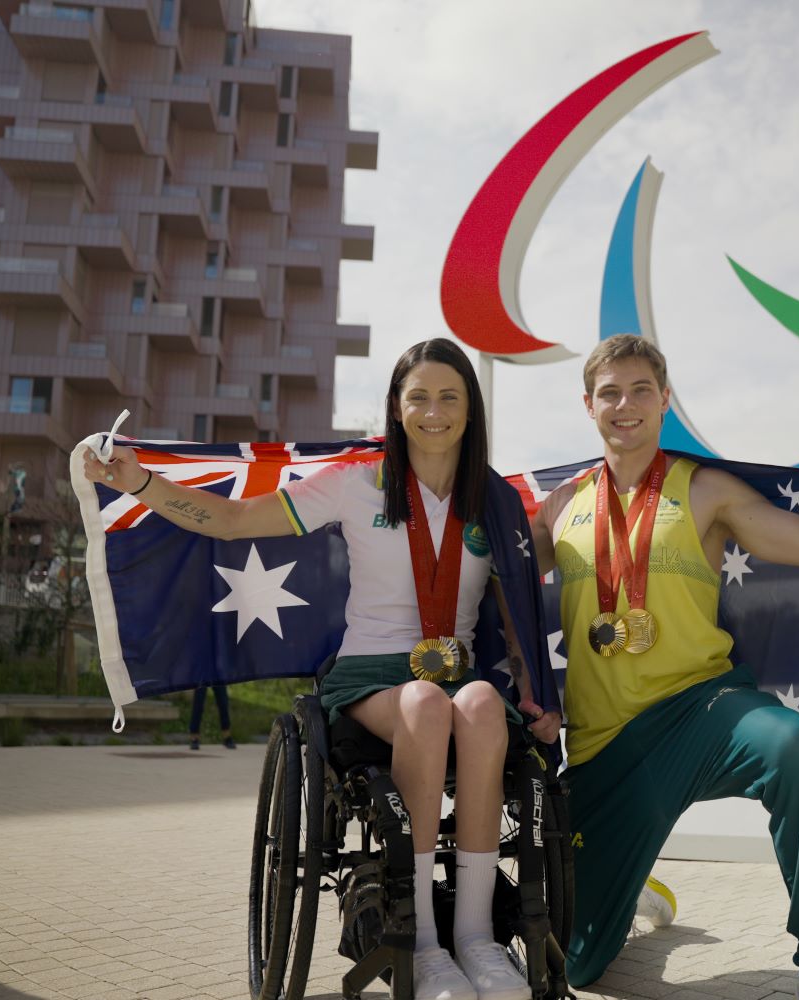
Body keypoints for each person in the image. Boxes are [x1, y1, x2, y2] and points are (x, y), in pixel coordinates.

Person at [82, 338, 559, 1000]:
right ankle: (423, 947)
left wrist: (541, 697)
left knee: (478, 705)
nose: (433, 411)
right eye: (417, 396)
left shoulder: (496, 501)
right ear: (397, 407)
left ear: (470, 411)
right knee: (425, 704)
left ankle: (476, 939)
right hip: (372, 677)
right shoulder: (354, 484)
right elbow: (231, 519)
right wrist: (138, 481)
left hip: (458, 677)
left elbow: (520, 610)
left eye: (449, 397)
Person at [528, 334, 799, 1000]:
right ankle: (631, 884)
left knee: (791, 746)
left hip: (700, 710)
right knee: (578, 969)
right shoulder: (560, 507)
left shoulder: (704, 490)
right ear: (588, 405)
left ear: (663, 400)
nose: (625, 405)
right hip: (604, 747)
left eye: (640, 390)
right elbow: (493, 590)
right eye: (609, 392)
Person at [188, 683, 235, 750]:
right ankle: (194, 738)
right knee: (198, 703)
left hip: (217, 673)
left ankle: (227, 737)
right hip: (202, 673)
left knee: (223, 702)